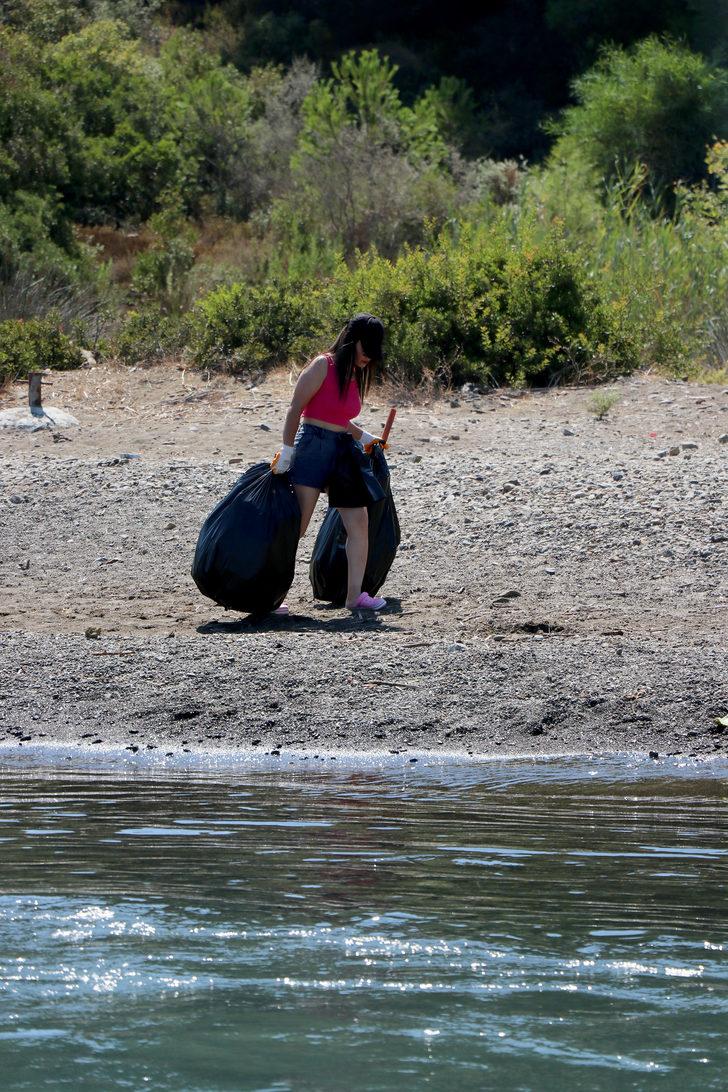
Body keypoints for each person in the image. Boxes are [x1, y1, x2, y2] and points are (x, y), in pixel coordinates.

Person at [271, 313, 387, 615]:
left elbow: (339, 419)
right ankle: (271, 595)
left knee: (359, 522)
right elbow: (297, 408)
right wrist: (287, 449)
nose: (369, 356)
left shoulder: (353, 374)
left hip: (342, 450)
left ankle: (353, 597)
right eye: (367, 347)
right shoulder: (324, 364)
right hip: (312, 447)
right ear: (352, 338)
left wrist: (364, 436)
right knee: (299, 525)